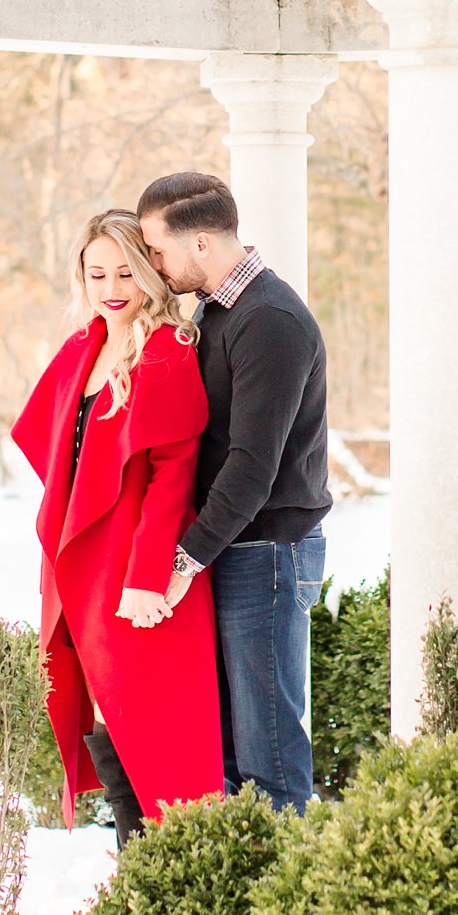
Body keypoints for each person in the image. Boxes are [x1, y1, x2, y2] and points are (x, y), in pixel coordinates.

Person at [11, 208, 224, 839]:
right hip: (80, 564)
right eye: (97, 273)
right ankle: (137, 871)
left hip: (136, 570)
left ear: (152, 273)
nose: (111, 289)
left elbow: (173, 475)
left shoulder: (167, 350)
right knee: (104, 714)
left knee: (149, 727)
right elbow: (49, 443)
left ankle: (162, 869)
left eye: (126, 273)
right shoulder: (84, 346)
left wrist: (148, 576)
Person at [138, 172, 330, 814]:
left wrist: (180, 560)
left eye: (157, 251)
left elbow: (252, 466)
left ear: (199, 244)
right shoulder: (218, 311)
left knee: (267, 755)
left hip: (266, 554)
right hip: (234, 548)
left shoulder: (269, 320)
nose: (154, 267)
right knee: (223, 752)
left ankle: (288, 907)